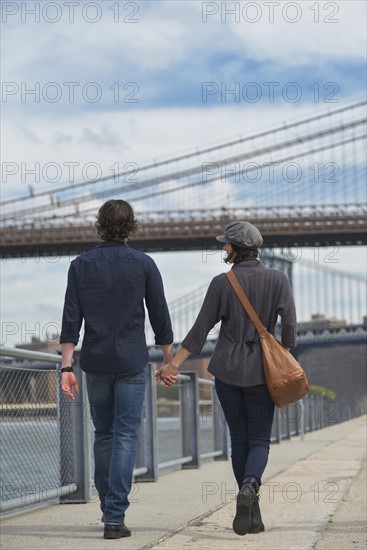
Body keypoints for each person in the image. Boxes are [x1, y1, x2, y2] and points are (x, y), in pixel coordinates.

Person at [156, 220, 297, 536]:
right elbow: (289, 330)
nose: (223, 248)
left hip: (227, 372)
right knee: (260, 439)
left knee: (239, 440)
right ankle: (250, 487)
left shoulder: (222, 282)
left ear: (235, 248)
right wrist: (280, 358)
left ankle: (253, 511)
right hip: (263, 373)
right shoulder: (279, 279)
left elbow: (199, 331)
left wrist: (174, 365)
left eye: (226, 244)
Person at [60, 199, 175, 540]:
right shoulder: (143, 263)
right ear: (131, 226)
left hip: (94, 363)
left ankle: (107, 510)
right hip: (131, 361)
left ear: (99, 224)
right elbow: (160, 314)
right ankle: (115, 517)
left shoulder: (80, 265)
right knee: (125, 435)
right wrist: (169, 359)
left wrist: (67, 366)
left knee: (104, 435)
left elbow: (71, 318)